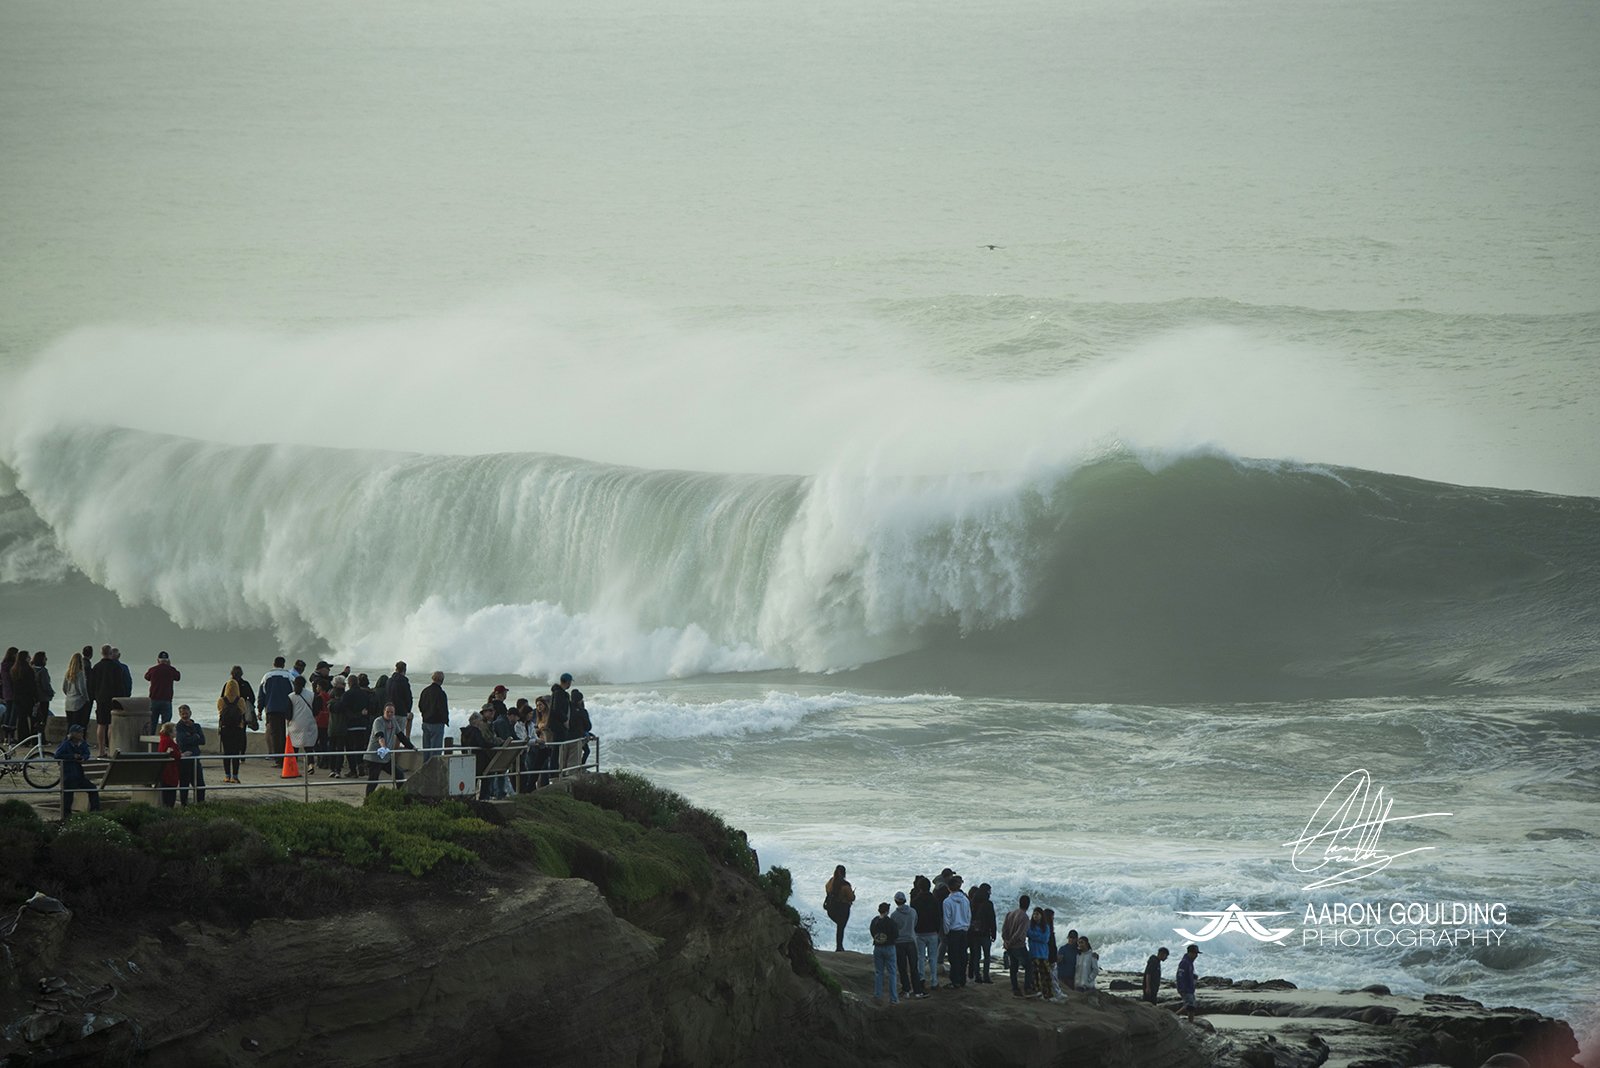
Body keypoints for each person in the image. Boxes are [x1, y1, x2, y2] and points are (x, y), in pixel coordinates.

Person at [365, 702, 415, 795]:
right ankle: (367, 800)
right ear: (384, 711)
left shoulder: (394, 721)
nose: (390, 714)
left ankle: (400, 796)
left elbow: (400, 735)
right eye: (388, 712)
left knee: (399, 775)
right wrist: (383, 747)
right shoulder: (378, 721)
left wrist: (412, 747)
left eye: (392, 712)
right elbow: (380, 736)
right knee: (373, 780)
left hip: (386, 757)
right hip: (375, 756)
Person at [54, 723, 101, 815]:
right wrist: (72, 756)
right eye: (79, 732)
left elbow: (86, 754)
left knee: (93, 789)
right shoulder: (66, 744)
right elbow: (57, 755)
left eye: (82, 732)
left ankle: (95, 811)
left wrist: (83, 758)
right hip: (69, 775)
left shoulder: (82, 743)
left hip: (79, 775)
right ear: (73, 734)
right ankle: (66, 814)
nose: (81, 734)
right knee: (68, 795)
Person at [258, 657, 295, 767]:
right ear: (283, 665)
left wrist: (259, 710)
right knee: (285, 733)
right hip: (286, 709)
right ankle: (286, 757)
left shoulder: (266, 676)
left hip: (271, 709)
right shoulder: (289, 676)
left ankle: (278, 759)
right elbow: (295, 692)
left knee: (275, 734)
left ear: (273, 664)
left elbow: (261, 695)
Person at [890, 891, 926, 999]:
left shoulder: (894, 915)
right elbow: (915, 923)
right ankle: (918, 991)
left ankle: (906, 990)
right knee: (914, 967)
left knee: (902, 968)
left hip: (899, 943)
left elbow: (893, 930)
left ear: (896, 901)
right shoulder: (913, 912)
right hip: (911, 941)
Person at [217, 668, 250, 784]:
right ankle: (235, 776)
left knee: (226, 753)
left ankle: (227, 775)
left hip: (225, 729)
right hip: (237, 729)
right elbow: (243, 712)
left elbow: (220, 712)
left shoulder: (221, 701)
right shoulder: (240, 700)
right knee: (235, 753)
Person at [910, 875, 941, 991]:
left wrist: (914, 930)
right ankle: (934, 981)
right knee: (933, 958)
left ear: (919, 887)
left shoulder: (915, 901)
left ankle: (921, 979)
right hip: (932, 932)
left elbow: (913, 918)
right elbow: (938, 917)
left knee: (920, 957)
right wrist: (937, 930)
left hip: (919, 932)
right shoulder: (934, 900)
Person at [942, 875, 972, 988]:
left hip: (953, 931)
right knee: (963, 956)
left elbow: (947, 919)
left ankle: (955, 981)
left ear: (949, 888)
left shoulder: (947, 901)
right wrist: (966, 927)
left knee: (953, 957)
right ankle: (962, 979)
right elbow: (969, 915)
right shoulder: (965, 899)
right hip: (964, 931)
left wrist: (946, 932)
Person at [89, 645, 119, 758]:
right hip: (113, 700)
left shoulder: (96, 667)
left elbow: (91, 685)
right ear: (111, 653)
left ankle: (101, 750)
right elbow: (120, 686)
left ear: (101, 653)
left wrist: (95, 696)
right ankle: (111, 749)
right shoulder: (116, 667)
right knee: (111, 725)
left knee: (101, 724)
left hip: (100, 699)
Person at [460, 710, 497, 800]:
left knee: (472, 780)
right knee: (486, 778)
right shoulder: (475, 731)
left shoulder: (464, 732)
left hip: (469, 759)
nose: (481, 723)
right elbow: (481, 743)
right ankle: (484, 798)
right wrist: (493, 745)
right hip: (479, 760)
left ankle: (470, 798)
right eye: (480, 721)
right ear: (475, 721)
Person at [174, 704, 206, 804]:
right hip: (184, 761)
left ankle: (201, 803)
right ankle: (184, 805)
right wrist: (195, 737)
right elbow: (182, 741)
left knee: (200, 784)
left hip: (196, 759)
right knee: (184, 784)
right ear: (179, 714)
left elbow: (203, 741)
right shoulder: (178, 727)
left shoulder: (196, 726)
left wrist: (191, 738)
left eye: (186, 713)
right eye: (182, 714)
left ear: (190, 713)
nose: (184, 716)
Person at [1002, 893, 1033, 997]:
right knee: (1029, 966)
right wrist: (1010, 942)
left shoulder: (1010, 914)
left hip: (1009, 945)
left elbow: (1004, 930)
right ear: (1028, 905)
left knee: (1013, 967)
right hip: (1018, 946)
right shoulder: (1024, 917)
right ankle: (1027, 988)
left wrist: (1006, 942)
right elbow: (1019, 933)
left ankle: (1015, 988)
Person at [870, 902, 900, 1005]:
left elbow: (872, 932)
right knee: (892, 973)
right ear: (887, 911)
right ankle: (893, 998)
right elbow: (896, 934)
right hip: (889, 947)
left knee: (879, 972)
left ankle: (878, 995)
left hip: (877, 947)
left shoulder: (874, 921)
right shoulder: (891, 922)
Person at [287, 676, 318, 775]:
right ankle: (311, 765)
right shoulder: (312, 695)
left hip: (295, 724)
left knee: (294, 747)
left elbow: (288, 713)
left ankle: (293, 767)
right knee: (308, 746)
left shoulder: (291, 696)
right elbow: (316, 710)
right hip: (309, 723)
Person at [144, 651, 180, 734]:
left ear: (158, 660)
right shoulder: (171, 670)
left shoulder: (153, 669)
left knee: (153, 723)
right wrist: (169, 666)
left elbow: (146, 677)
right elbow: (178, 677)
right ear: (167, 660)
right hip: (166, 700)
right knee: (166, 725)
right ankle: (164, 742)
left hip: (154, 699)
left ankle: (151, 742)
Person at [8, 650, 38, 743]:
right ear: (25, 658)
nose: (30, 658)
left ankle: (23, 739)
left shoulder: (14, 670)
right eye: (28, 656)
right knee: (34, 718)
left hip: (18, 698)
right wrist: (36, 698)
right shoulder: (29, 670)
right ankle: (34, 739)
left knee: (21, 719)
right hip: (28, 698)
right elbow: (32, 686)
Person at [970, 883, 997, 984]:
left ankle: (977, 976)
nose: (990, 892)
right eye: (989, 890)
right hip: (985, 933)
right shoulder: (988, 903)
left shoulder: (973, 902)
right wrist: (993, 933)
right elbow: (992, 920)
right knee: (987, 956)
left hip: (974, 933)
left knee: (976, 955)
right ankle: (986, 976)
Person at [823, 865, 854, 952]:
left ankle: (839, 946)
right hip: (843, 908)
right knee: (841, 928)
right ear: (844, 873)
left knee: (839, 927)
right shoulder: (845, 885)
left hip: (831, 908)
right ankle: (839, 947)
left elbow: (827, 888)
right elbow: (851, 898)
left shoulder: (831, 881)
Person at [418, 671, 449, 756]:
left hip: (426, 722)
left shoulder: (425, 691)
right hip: (437, 723)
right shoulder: (441, 693)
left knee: (426, 749)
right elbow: (443, 709)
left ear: (432, 678)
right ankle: (434, 768)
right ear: (442, 680)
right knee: (435, 751)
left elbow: (420, 705)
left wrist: (424, 714)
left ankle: (426, 766)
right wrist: (445, 720)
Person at [1028, 908, 1057, 1000]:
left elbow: (1045, 939)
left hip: (1044, 954)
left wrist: (1035, 936)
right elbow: (1029, 934)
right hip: (1034, 953)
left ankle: (1048, 994)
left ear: (1041, 915)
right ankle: (1038, 992)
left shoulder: (1046, 927)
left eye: (1037, 914)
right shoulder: (1030, 926)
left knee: (1046, 975)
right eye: (1034, 914)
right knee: (1036, 975)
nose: (1035, 916)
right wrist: (1038, 936)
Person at [61, 651, 90, 731]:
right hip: (78, 703)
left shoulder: (67, 673)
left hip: (68, 703)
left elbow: (64, 688)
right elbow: (82, 689)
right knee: (77, 726)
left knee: (70, 725)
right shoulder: (80, 674)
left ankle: (68, 742)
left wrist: (69, 695)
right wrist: (86, 699)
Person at [156, 722, 181, 807]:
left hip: (169, 771)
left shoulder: (165, 740)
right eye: (174, 730)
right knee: (169, 795)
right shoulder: (167, 741)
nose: (176, 732)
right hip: (169, 771)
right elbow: (171, 753)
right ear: (170, 732)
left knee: (168, 794)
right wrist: (180, 754)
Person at [386, 662, 414, 737]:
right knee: (399, 734)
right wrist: (408, 710)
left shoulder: (389, 681)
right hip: (401, 711)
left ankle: (391, 748)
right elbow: (408, 697)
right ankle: (398, 747)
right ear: (404, 670)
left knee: (390, 734)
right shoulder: (404, 682)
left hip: (389, 711)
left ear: (396, 669)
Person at [31, 651, 54, 736]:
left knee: (35, 718)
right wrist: (51, 693)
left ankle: (33, 737)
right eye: (45, 658)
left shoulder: (31, 669)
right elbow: (45, 685)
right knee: (43, 719)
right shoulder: (43, 671)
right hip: (43, 698)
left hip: (34, 698)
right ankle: (41, 738)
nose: (46, 659)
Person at [1175, 943, 1200, 1021]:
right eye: (1195, 953)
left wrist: (1193, 977)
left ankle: (1190, 1022)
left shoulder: (1189, 962)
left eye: (1196, 954)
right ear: (1190, 953)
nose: (1196, 956)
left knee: (1191, 1007)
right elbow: (1180, 976)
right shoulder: (1184, 962)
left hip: (1190, 988)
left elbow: (1187, 974)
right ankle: (1173, 1016)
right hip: (1185, 988)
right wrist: (1182, 988)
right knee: (1189, 1005)